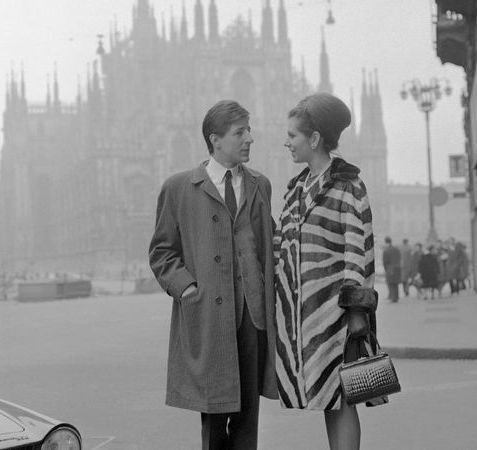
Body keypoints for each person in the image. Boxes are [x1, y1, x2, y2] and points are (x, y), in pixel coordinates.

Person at [148, 100, 277, 450]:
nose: (250, 138)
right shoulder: (178, 188)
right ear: (215, 139)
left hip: (253, 316)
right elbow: (161, 252)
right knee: (214, 416)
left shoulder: (260, 185)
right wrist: (186, 288)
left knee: (248, 416)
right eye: (240, 133)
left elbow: (269, 242)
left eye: (249, 130)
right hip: (208, 316)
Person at [275, 93, 378, 450]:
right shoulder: (295, 193)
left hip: (338, 316)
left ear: (315, 139)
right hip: (306, 320)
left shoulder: (348, 186)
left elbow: (358, 254)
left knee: (344, 398)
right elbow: (282, 255)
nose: (286, 142)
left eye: (293, 135)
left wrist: (356, 313)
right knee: (328, 401)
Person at [382, 236, 401, 303]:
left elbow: (385, 261)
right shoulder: (396, 249)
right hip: (397, 268)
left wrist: (385, 269)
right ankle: (396, 297)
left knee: (390, 283)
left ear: (385, 242)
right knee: (395, 284)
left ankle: (392, 298)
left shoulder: (386, 250)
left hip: (389, 268)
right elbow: (399, 258)